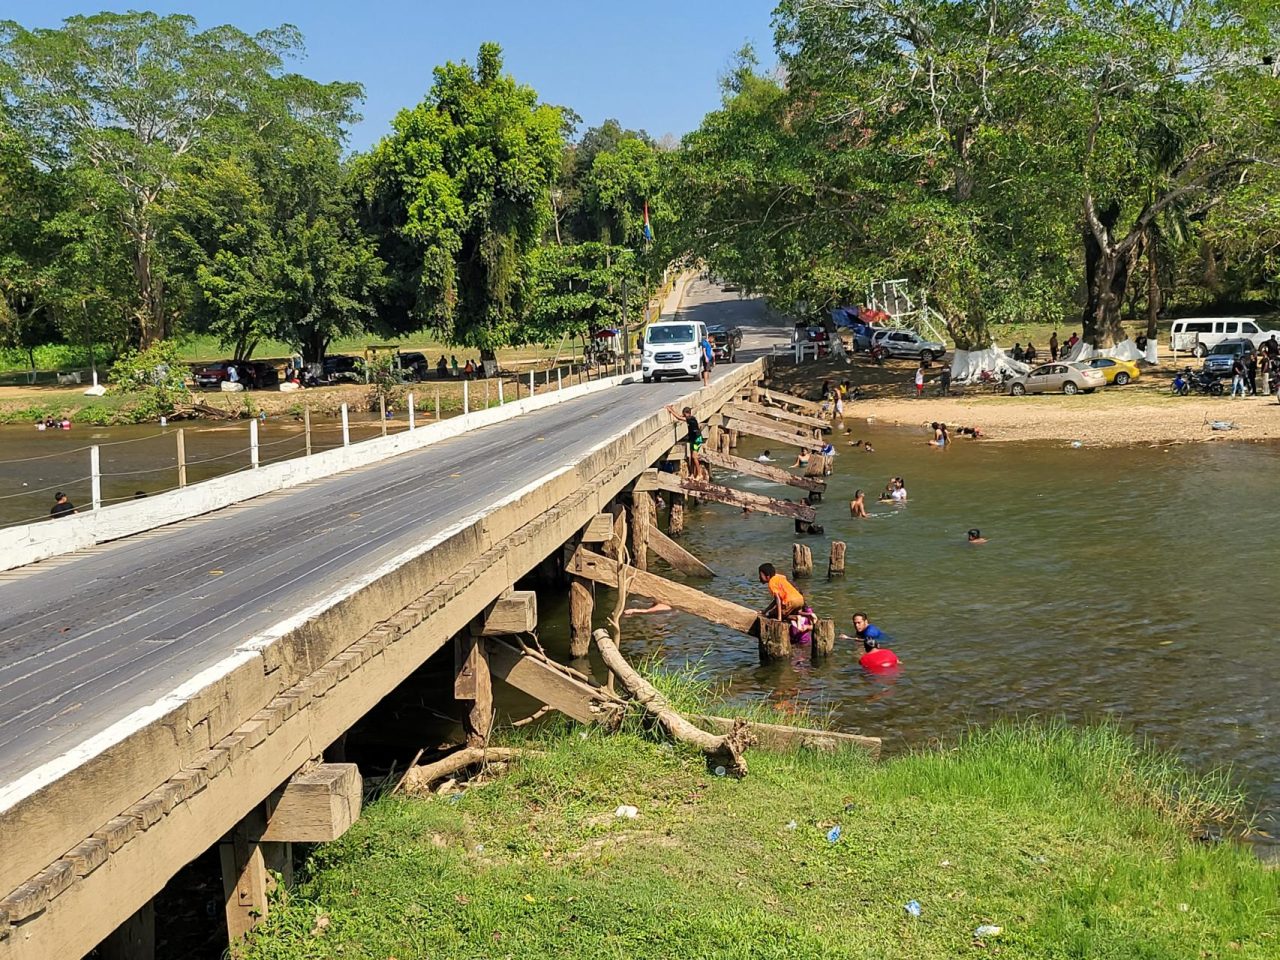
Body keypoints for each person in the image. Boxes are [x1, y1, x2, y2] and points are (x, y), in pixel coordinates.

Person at [667, 404, 706, 480]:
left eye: (684, 414)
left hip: (697, 440)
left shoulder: (691, 418)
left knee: (695, 457)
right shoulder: (689, 418)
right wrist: (672, 408)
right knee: (691, 457)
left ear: (686, 413)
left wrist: (670, 410)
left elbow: (678, 417)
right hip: (692, 439)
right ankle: (691, 474)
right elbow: (680, 416)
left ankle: (699, 474)